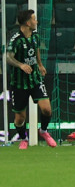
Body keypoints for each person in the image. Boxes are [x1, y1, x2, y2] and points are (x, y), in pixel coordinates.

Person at [5, 9, 57, 149]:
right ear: (28, 22)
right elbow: (8, 57)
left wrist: (39, 64)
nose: (36, 21)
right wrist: (21, 65)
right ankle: (23, 138)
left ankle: (44, 131)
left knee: (46, 109)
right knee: (20, 118)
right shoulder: (16, 39)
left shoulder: (35, 36)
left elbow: (36, 49)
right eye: (34, 19)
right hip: (19, 83)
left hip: (35, 79)